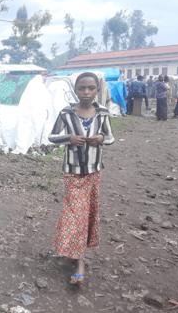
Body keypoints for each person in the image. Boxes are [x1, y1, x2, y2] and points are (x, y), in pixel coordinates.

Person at [48, 72, 114, 285]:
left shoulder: (102, 113)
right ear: (75, 90)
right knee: (76, 214)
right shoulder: (66, 113)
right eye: (82, 88)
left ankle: (75, 252)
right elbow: (52, 136)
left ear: (97, 90)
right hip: (73, 172)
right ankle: (79, 262)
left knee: (88, 214)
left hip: (94, 172)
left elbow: (110, 137)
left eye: (91, 88)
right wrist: (69, 138)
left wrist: (101, 138)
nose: (86, 93)